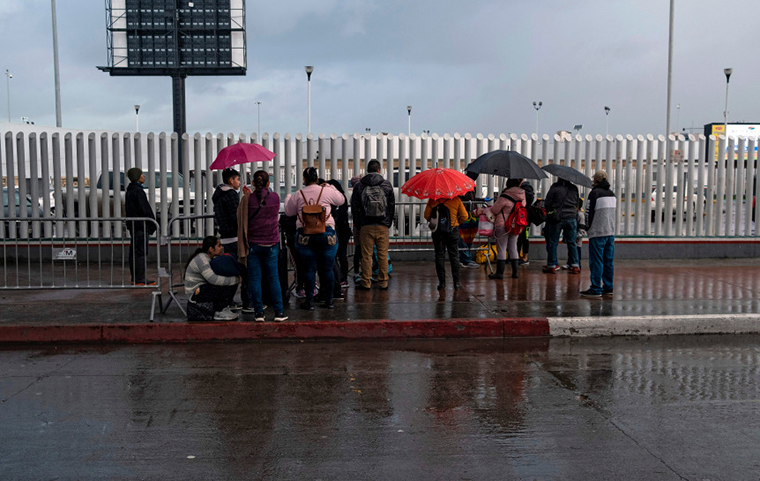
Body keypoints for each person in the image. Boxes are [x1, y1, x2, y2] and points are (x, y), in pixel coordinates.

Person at [284, 167, 345, 310]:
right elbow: (341, 200)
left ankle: (309, 301)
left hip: (305, 236)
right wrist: (329, 185)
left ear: (304, 180)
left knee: (309, 269)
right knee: (328, 268)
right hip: (327, 234)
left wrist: (288, 197)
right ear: (317, 178)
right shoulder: (327, 191)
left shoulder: (299, 194)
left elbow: (288, 211)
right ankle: (329, 301)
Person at [237, 170, 287, 322]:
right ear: (268, 183)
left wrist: (246, 195)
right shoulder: (275, 197)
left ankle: (259, 313)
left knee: (255, 279)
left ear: (253, 183)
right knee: (273, 278)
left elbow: (240, 215)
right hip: (271, 243)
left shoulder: (248, 199)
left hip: (253, 244)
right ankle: (279, 313)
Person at [350, 160, 395, 291]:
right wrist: (388, 222)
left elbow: (354, 206)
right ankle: (383, 282)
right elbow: (391, 206)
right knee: (382, 254)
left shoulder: (360, 185)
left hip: (365, 225)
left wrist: (359, 224)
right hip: (382, 225)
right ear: (379, 170)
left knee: (366, 255)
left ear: (367, 170)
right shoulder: (386, 185)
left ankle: (365, 282)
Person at [212, 167, 249, 311]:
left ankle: (228, 300)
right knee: (243, 270)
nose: (239, 182)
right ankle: (247, 302)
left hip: (225, 237)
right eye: (237, 179)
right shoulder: (231, 195)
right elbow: (237, 216)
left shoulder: (219, 194)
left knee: (229, 270)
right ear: (231, 180)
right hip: (235, 238)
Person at [184, 236, 240, 321]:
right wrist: (236, 280)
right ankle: (219, 311)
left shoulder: (208, 257)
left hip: (201, 290)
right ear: (211, 249)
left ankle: (221, 308)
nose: (221, 248)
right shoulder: (202, 259)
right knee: (226, 283)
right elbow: (213, 279)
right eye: (219, 246)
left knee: (226, 280)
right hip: (195, 295)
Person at [581, 170, 617, 298]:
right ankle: (608, 287)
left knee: (596, 261)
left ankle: (596, 289)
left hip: (597, 232)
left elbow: (588, 213)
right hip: (610, 232)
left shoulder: (594, 193)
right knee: (608, 261)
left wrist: (587, 227)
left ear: (595, 181)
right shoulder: (612, 194)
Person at [424, 195, 468, 290]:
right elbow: (465, 216)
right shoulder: (456, 200)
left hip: (438, 232)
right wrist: (456, 223)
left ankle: (442, 283)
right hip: (452, 230)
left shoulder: (433, 199)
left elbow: (426, 215)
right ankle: (456, 283)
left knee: (439, 256)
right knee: (454, 256)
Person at [485, 178, 526, 280]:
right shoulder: (522, 195)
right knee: (513, 248)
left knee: (502, 248)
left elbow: (494, 210)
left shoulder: (505, 196)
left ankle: (499, 273)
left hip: (502, 225)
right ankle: (515, 273)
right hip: (516, 224)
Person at [125, 167, 156, 285]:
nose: (144, 176)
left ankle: (135, 277)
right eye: (141, 174)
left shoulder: (130, 191)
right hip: (141, 226)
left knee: (134, 252)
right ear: (137, 177)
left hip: (134, 226)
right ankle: (140, 279)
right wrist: (152, 224)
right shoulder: (138, 191)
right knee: (140, 253)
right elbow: (145, 209)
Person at [542, 178, 580, 274]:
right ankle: (575, 265)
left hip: (557, 218)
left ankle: (551, 265)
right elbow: (577, 202)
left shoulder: (555, 187)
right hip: (571, 217)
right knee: (572, 242)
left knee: (553, 242)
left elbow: (547, 202)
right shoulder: (574, 188)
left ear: (559, 177)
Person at [327, 179, 352, 288]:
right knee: (343, 255)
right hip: (344, 230)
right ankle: (344, 279)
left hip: (335, 230)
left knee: (334, 256)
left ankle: (337, 278)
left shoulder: (332, 200)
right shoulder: (343, 198)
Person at [457, 188, 480, 268]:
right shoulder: (464, 188)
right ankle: (466, 259)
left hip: (469, 216)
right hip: (463, 216)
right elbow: (467, 198)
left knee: (467, 238)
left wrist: (481, 199)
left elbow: (472, 198)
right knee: (462, 238)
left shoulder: (472, 187)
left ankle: (465, 258)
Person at [517, 180, 535, 266]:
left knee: (522, 237)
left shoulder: (523, 191)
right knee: (523, 237)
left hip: (523, 217)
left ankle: (523, 257)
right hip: (526, 218)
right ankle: (523, 256)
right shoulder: (528, 191)